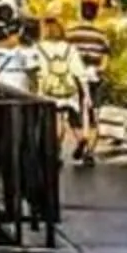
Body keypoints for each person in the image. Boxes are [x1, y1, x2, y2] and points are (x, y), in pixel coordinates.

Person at [33, 23, 92, 165]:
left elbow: (33, 68)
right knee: (74, 119)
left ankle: (56, 150)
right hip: (68, 89)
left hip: (48, 89)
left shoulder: (38, 48)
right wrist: (86, 93)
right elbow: (80, 72)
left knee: (57, 120)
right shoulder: (70, 49)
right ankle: (82, 140)